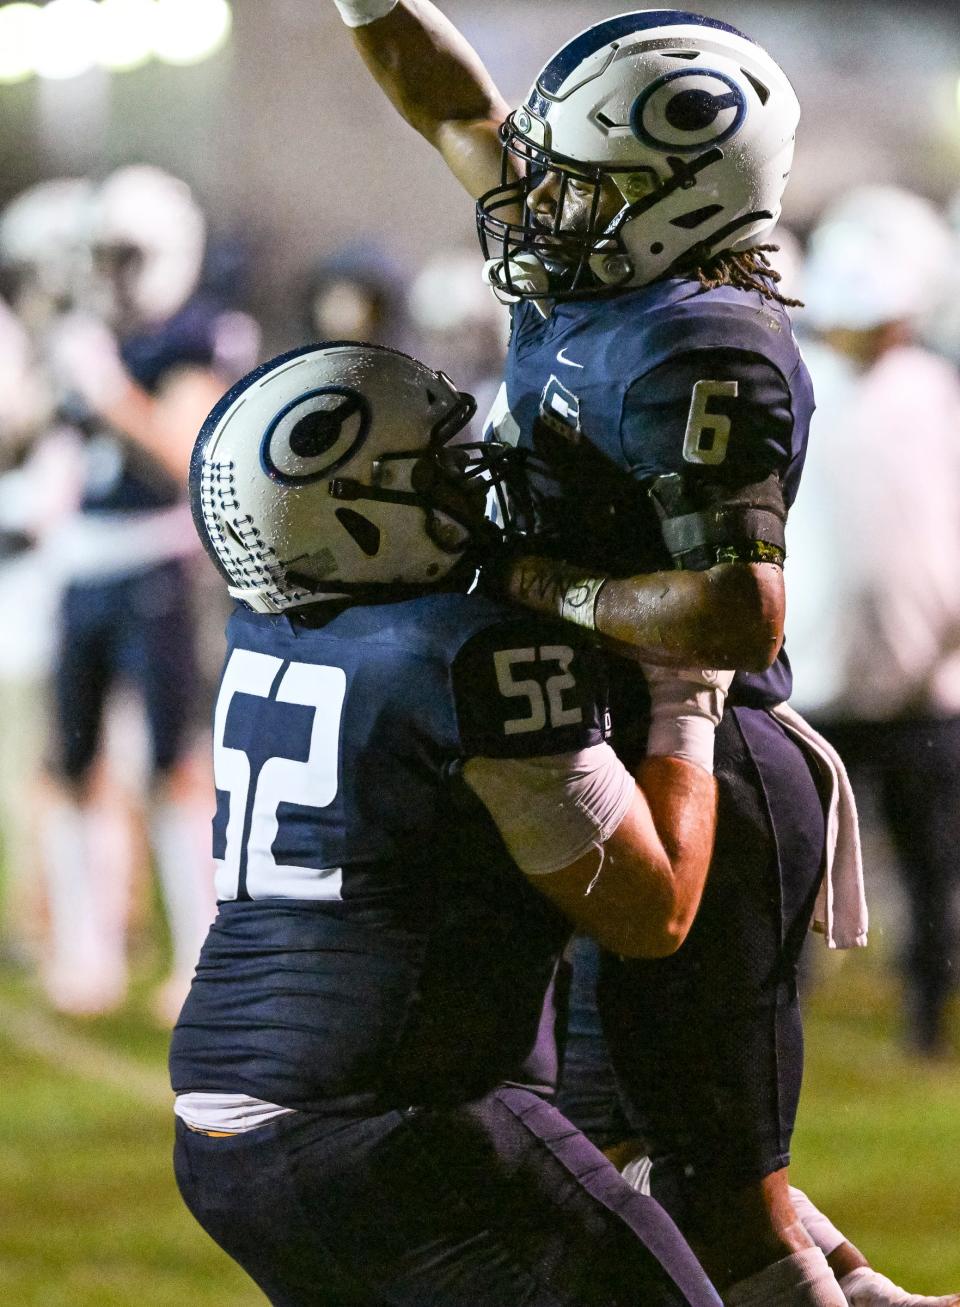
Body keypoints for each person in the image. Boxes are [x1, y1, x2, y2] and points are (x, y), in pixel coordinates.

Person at [332, 5, 956, 1304]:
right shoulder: (596, 262)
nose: (538, 194)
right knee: (606, 1158)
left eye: (580, 176)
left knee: (720, 1208)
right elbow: (453, 106)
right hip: (619, 755)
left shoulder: (705, 344)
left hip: (709, 774)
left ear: (676, 190)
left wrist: (518, 573)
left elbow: (739, 611)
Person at [172, 340, 729, 1307]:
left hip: (227, 1130)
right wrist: (686, 699)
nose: (470, 487)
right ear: (347, 507)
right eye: (430, 473)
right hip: (393, 1119)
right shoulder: (466, 661)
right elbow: (654, 910)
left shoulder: (272, 630)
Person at [35, 166, 251, 1019]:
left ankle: (198, 947)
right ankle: (84, 951)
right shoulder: (87, 329)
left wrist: (111, 392)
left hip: (154, 564)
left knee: (174, 762)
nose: (111, 274)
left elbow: (186, 451)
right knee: (73, 761)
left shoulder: (197, 333)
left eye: (124, 256)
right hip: (80, 566)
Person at [788, 185, 960, 1061]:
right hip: (813, 678)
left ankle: (930, 1014)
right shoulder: (795, 385)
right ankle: (784, 1014)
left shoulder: (938, 392)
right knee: (794, 863)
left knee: (935, 867)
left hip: (928, 680)